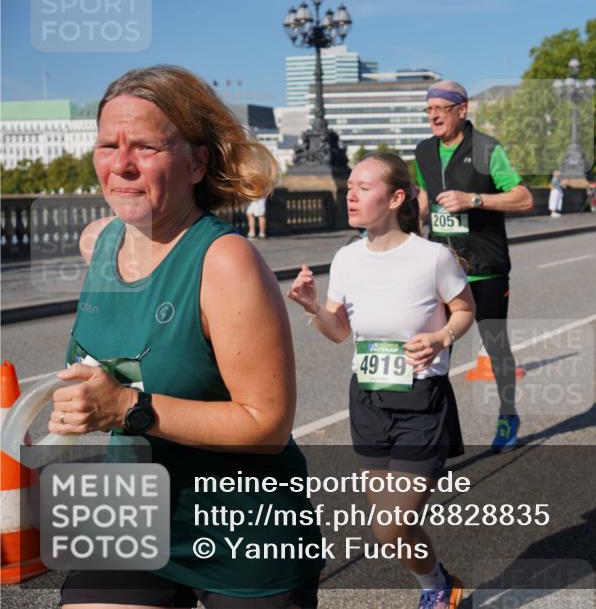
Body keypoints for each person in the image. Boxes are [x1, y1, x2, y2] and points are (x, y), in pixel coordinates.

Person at [53, 66, 323, 607]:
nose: (121, 164)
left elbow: (267, 425)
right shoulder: (97, 242)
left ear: (198, 161)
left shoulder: (226, 262)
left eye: (146, 146)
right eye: (108, 144)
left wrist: (127, 407)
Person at [288, 152, 475, 609]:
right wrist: (313, 308)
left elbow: (465, 309)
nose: (350, 195)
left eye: (363, 187)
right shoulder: (347, 258)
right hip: (368, 401)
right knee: (392, 530)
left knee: (389, 525)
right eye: (349, 186)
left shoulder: (431, 257)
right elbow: (339, 332)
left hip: (421, 400)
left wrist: (441, 337)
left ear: (394, 198)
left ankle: (435, 586)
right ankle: (438, 583)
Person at [414, 80, 534, 453]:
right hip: (443, 267)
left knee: (495, 345)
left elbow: (523, 198)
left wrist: (474, 199)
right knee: (436, 350)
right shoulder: (423, 151)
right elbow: (423, 198)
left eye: (440, 108)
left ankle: (507, 414)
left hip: (486, 265)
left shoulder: (486, 149)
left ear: (461, 110)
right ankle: (438, 432)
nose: (433, 115)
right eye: (428, 109)